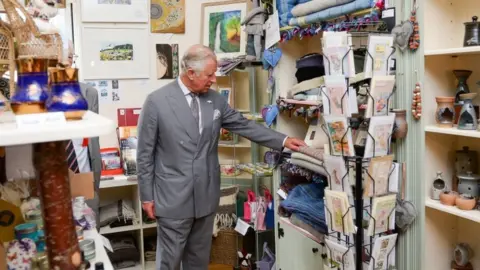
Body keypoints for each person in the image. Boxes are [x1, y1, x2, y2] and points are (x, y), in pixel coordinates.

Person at [137, 44, 306, 270]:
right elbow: (144, 155)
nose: (213, 80)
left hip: (206, 196)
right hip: (172, 198)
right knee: (169, 262)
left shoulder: (215, 100)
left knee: (198, 261)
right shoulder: (157, 102)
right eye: (209, 74)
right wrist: (147, 197)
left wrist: (283, 141)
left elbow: (244, 125)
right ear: (190, 73)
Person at [64, 45, 102, 229]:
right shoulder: (38, 98)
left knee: (92, 238)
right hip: (55, 184)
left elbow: (92, 140)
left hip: (86, 179)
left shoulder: (89, 94)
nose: (65, 61)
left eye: (69, 56)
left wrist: (95, 182)